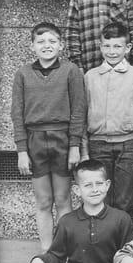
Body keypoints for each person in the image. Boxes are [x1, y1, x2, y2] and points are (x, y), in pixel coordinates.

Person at [27, 159, 133, 263]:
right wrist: (39, 260)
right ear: (77, 190)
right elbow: (56, 255)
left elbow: (130, 254)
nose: (95, 189)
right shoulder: (67, 221)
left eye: (99, 184)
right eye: (88, 185)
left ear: (107, 185)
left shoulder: (122, 219)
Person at [11, 22, 86, 250]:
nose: (47, 45)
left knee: (63, 199)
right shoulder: (23, 74)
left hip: (62, 139)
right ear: (32, 46)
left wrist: (75, 146)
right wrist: (22, 151)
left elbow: (79, 110)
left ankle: (64, 250)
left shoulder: (71, 71)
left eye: (52, 41)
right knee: (43, 201)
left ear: (61, 45)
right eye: (41, 41)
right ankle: (46, 251)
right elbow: (17, 114)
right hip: (35, 141)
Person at [82, 21, 133, 215]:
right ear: (100, 47)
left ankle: (125, 235)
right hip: (98, 145)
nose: (112, 51)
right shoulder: (90, 77)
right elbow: (82, 115)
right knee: (100, 198)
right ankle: (101, 235)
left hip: (128, 145)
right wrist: (84, 151)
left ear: (127, 48)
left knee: (124, 199)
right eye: (107, 46)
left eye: (117, 46)